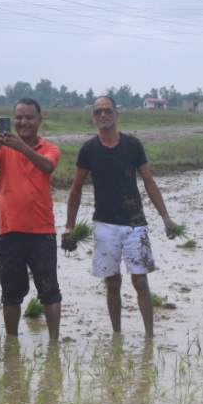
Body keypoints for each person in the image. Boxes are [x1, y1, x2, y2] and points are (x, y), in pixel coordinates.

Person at [66, 96, 178, 338]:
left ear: (116, 115)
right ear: (93, 117)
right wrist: (69, 226)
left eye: (107, 111)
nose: (103, 115)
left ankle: (150, 336)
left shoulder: (132, 145)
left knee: (140, 281)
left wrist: (166, 217)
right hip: (104, 224)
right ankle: (117, 334)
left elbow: (149, 181)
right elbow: (76, 188)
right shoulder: (88, 149)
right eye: (98, 112)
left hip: (135, 223)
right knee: (112, 282)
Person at [0, 98, 62, 341]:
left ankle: (54, 343)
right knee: (11, 293)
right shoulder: (3, 148)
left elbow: (47, 166)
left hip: (42, 232)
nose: (23, 122)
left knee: (49, 290)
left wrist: (21, 147)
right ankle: (11, 341)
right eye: (18, 118)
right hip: (9, 231)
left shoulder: (50, 148)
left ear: (39, 120)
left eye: (28, 117)